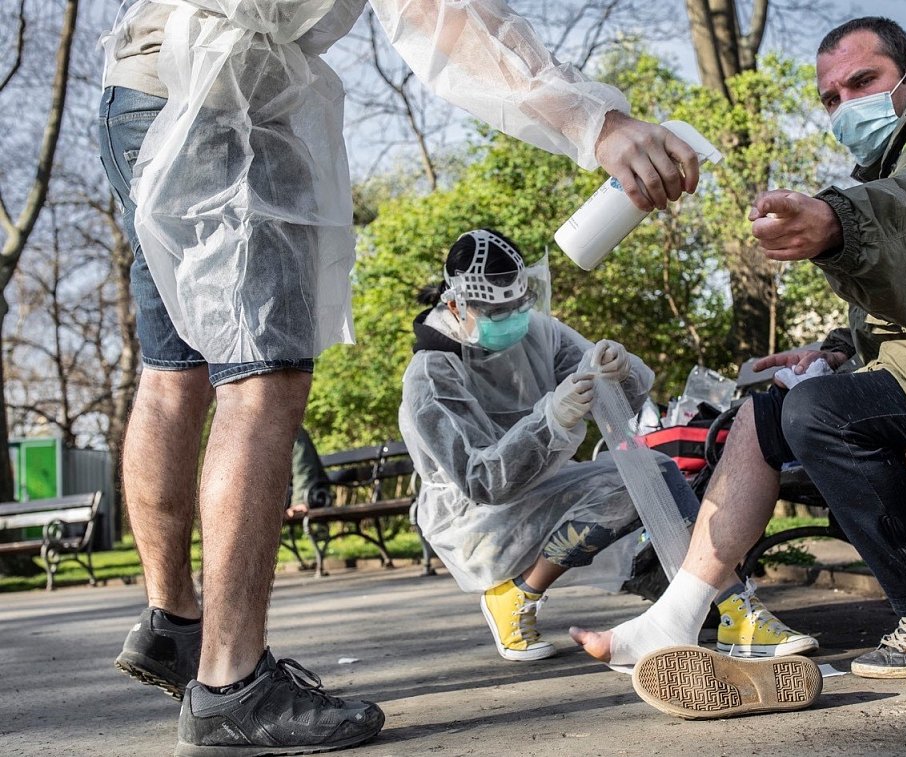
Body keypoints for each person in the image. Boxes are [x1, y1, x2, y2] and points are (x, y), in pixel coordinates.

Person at [100, 2, 704, 754]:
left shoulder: (537, 331)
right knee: (260, 380)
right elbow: (442, 14)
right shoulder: (430, 373)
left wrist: (600, 375)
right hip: (218, 96)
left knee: (172, 374)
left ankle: (174, 622)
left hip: (137, 90)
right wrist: (598, 124)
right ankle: (230, 685)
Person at [572, 16, 906, 717]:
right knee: (763, 411)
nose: (846, 104)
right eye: (830, 96)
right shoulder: (904, 155)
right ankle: (678, 613)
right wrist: (836, 352)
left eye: (863, 82)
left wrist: (836, 221)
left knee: (814, 412)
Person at [399, 228, 816, 665]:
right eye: (496, 311)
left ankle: (732, 608)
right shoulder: (431, 377)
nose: (511, 319)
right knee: (642, 478)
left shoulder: (537, 331)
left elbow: (622, 399)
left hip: (543, 479)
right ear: (453, 306)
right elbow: (483, 482)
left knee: (653, 471)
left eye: (517, 307)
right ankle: (519, 595)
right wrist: (550, 421)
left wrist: (619, 371)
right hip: (475, 518)